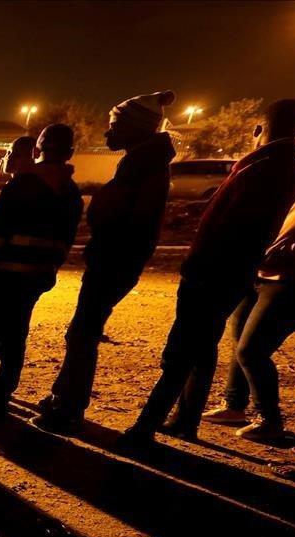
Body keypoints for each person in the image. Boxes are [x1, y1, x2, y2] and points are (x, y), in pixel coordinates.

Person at [122, 99, 295, 446]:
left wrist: (205, 268)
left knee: (181, 351)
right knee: (201, 349)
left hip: (215, 273)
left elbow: (236, 228)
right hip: (225, 272)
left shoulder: (268, 168)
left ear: (258, 129)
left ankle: (146, 426)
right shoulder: (275, 166)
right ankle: (184, 420)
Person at [34, 91, 177, 433]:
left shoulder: (142, 168)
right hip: (114, 258)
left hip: (114, 260)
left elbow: (121, 217)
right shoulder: (142, 164)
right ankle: (64, 398)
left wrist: (102, 215)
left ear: (135, 127)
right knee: (82, 331)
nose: (106, 133)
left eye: (114, 125)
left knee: (83, 332)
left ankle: (67, 407)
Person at [0, 125, 83, 417]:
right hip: (34, 278)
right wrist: (47, 270)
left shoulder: (23, 184)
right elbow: (66, 240)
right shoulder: (70, 192)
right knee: (14, 336)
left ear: (37, 151)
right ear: (70, 153)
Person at [203, 186, 295, 442]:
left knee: (251, 350)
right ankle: (234, 405)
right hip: (266, 272)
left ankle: (269, 419)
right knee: (240, 340)